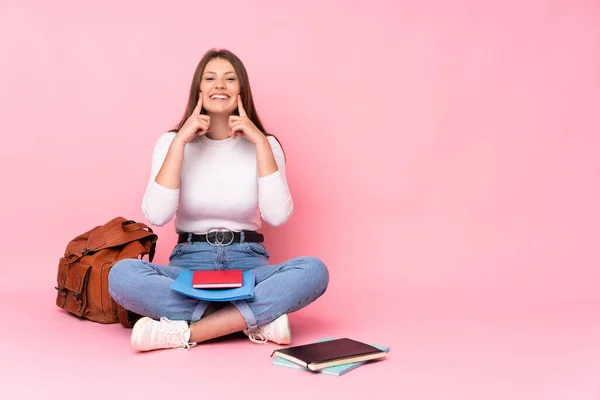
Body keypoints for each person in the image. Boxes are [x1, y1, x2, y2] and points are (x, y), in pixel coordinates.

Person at [108, 49, 329, 352]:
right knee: (122, 275)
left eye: (229, 79)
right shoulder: (172, 142)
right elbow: (157, 216)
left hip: (248, 263)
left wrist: (261, 143)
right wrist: (180, 143)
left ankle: (186, 333)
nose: (219, 86)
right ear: (198, 90)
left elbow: (277, 216)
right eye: (210, 78)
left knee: (314, 271)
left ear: (242, 90)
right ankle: (251, 320)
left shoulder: (266, 144)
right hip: (189, 263)